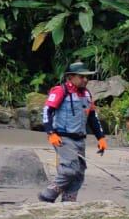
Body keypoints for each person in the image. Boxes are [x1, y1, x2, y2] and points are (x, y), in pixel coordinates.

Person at [39, 61, 107, 202]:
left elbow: (92, 117)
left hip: (80, 138)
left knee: (79, 173)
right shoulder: (60, 91)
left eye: (86, 77)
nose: (85, 80)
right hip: (63, 138)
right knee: (70, 169)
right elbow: (47, 111)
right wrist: (51, 133)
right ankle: (48, 194)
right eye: (81, 77)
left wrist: (101, 138)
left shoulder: (87, 94)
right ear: (70, 77)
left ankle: (69, 202)